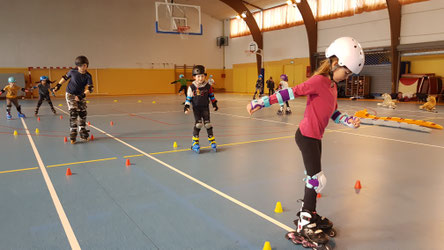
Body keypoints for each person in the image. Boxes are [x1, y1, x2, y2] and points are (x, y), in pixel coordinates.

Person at [247, 37, 364, 248]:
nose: (347, 78)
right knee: (316, 180)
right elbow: (291, 92)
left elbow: (334, 113)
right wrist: (262, 101)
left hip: (316, 137)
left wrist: (349, 121)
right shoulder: (319, 81)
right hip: (307, 136)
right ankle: (304, 225)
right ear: (336, 62)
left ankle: (309, 214)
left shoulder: (332, 86)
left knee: (316, 179)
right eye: (346, 73)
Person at [54, 56, 93, 144]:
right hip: (70, 94)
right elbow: (64, 78)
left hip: (80, 95)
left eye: (85, 65)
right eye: (81, 66)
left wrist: (82, 95)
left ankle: (82, 130)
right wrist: (58, 86)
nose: (83, 68)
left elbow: (90, 88)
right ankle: (73, 131)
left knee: (83, 112)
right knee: (73, 112)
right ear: (77, 66)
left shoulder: (88, 75)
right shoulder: (72, 71)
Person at [184, 65, 218, 154]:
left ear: (205, 76)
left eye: (202, 76)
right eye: (198, 76)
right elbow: (188, 98)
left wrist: (214, 104)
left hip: (205, 107)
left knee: (208, 124)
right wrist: (187, 106)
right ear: (194, 77)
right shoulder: (191, 87)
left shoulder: (208, 86)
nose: (200, 78)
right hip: (196, 108)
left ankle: (212, 141)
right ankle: (195, 142)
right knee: (198, 124)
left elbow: (211, 96)